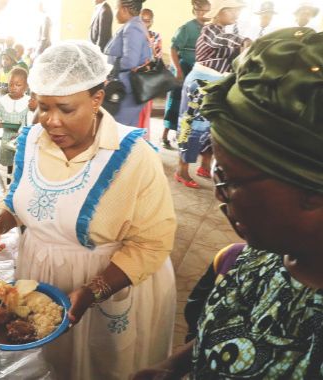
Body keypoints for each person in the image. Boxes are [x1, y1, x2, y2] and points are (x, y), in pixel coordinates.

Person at [0, 41, 176, 380]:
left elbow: (152, 243)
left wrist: (92, 290)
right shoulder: (32, 140)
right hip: (46, 278)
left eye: (66, 109)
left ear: (97, 99)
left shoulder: (132, 157)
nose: (50, 122)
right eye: (42, 107)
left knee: (105, 363)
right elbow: (17, 200)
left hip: (107, 282)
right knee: (62, 362)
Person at [133, 27, 323, 380]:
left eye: (230, 180)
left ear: (311, 187)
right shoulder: (264, 252)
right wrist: (174, 365)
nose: (218, 192)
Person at [174, 0, 249, 189]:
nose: (236, 14)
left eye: (238, 11)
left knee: (206, 128)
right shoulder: (210, 30)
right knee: (191, 127)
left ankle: (204, 166)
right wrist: (244, 41)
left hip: (214, 85)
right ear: (219, 11)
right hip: (200, 84)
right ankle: (181, 170)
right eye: (233, 10)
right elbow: (218, 42)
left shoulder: (226, 32)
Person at [161, 0, 211, 149]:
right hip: (184, 68)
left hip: (199, 71)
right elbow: (173, 49)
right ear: (194, 11)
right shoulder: (186, 28)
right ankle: (164, 135)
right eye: (199, 10)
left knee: (191, 106)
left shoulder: (210, 29)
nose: (202, 13)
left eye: (206, 10)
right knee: (175, 103)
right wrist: (179, 71)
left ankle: (182, 136)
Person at [104, 0, 153, 127]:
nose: (115, 12)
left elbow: (130, 61)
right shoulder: (135, 24)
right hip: (128, 86)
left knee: (119, 129)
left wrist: (108, 65)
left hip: (126, 88)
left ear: (124, 9)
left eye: (116, 8)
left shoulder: (132, 27)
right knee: (124, 128)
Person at [0, 67, 29, 183]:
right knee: (8, 158)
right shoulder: (3, 101)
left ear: (26, 87)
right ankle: (9, 176)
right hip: (7, 136)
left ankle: (21, 179)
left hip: (22, 137)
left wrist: (22, 129)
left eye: (18, 84)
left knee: (21, 158)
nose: (13, 87)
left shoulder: (28, 102)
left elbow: (29, 120)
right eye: (11, 84)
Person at [136, 8, 161, 139]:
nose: (146, 23)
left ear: (152, 21)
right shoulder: (133, 34)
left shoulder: (155, 36)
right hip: (134, 78)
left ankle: (143, 138)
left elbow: (157, 58)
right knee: (135, 111)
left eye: (148, 20)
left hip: (147, 80)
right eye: (143, 20)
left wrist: (150, 45)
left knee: (145, 111)